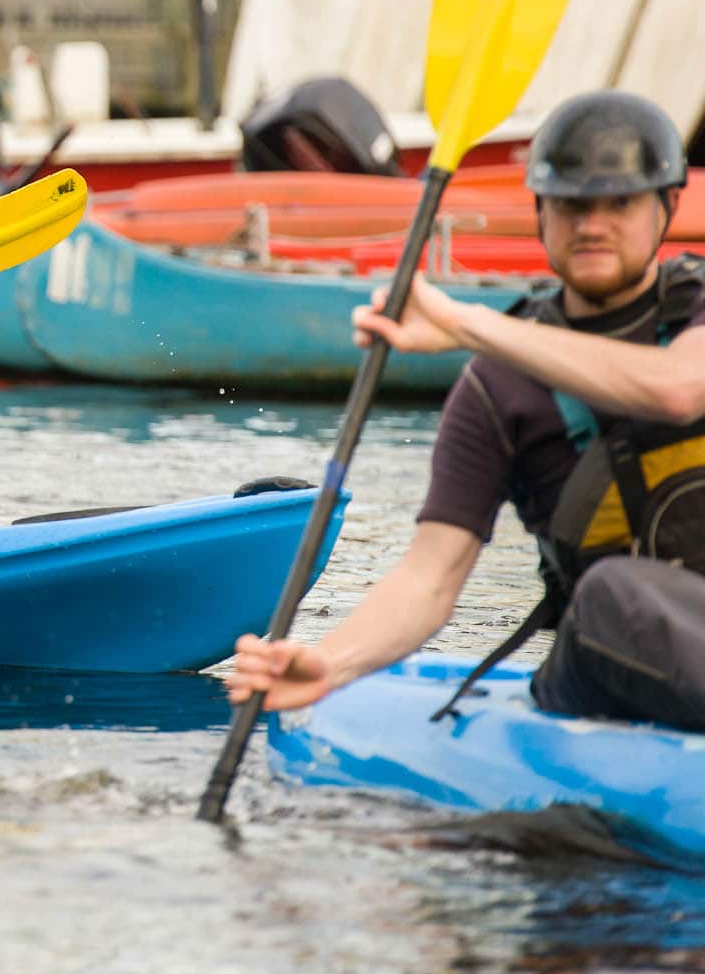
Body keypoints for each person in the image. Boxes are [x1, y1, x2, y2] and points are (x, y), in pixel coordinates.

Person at [226, 91, 705, 731]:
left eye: (619, 203)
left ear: (666, 207)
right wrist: (327, 664)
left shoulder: (697, 311)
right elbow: (430, 577)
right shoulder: (496, 388)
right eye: (571, 204)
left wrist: (466, 324)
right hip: (601, 669)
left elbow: (679, 388)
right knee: (610, 593)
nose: (592, 224)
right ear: (541, 213)